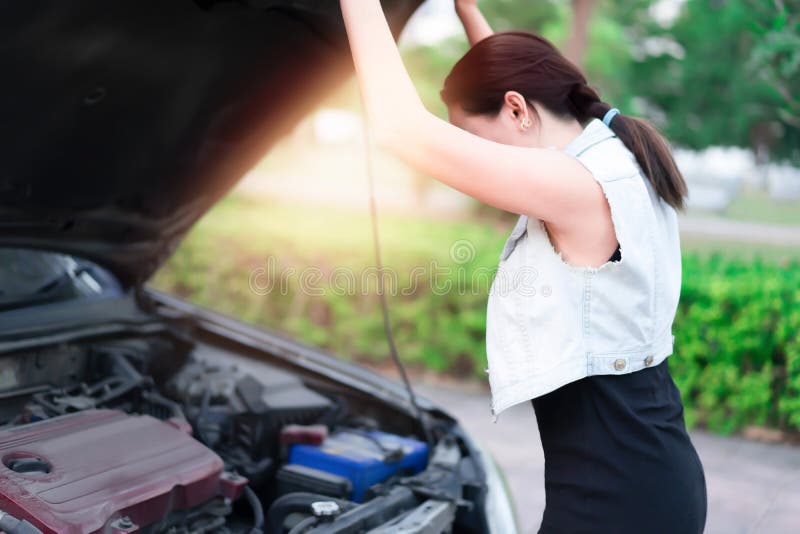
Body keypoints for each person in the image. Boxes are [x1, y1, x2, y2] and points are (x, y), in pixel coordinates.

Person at [339, 1, 707, 532]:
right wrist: (467, 8)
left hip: (617, 497)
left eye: (474, 138)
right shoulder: (611, 155)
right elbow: (515, 90)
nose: (475, 157)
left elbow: (399, 129)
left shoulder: (576, 185)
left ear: (517, 110)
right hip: (644, 469)